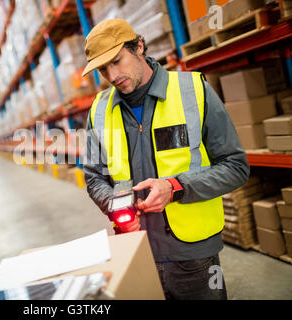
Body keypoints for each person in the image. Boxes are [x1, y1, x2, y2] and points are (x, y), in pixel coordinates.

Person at [82, 19, 250, 300]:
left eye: (117, 61)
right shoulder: (99, 110)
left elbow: (235, 167)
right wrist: (114, 204)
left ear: (139, 46)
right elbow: (93, 176)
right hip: (137, 251)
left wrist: (175, 187)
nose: (112, 75)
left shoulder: (193, 91)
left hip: (194, 256)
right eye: (103, 69)